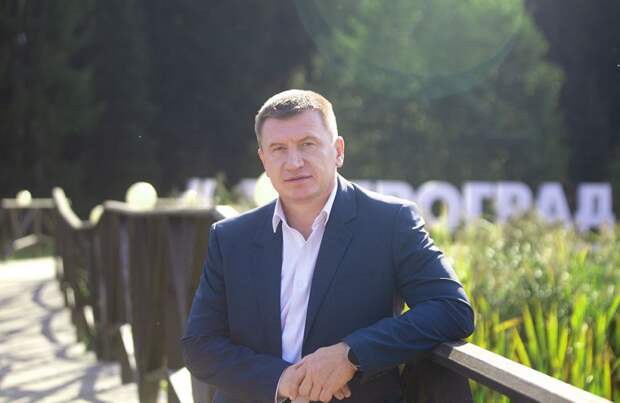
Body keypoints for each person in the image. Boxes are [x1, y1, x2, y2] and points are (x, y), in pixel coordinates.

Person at [182, 89, 474, 403]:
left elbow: (451, 308)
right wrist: (280, 379)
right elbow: (199, 344)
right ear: (263, 160)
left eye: (307, 144)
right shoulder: (230, 237)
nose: (294, 162)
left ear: (338, 151)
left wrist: (351, 353)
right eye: (278, 149)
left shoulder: (391, 222)